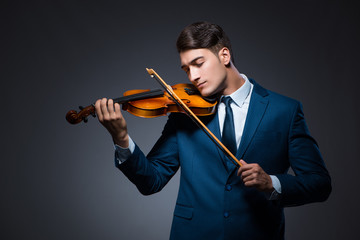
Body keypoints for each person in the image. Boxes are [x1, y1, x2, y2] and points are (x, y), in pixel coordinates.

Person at [94, 22, 331, 240]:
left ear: (224, 55)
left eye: (198, 63)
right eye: (186, 69)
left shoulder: (285, 110)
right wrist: (121, 138)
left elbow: (319, 184)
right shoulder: (184, 114)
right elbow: (151, 181)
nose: (193, 76)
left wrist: (272, 183)